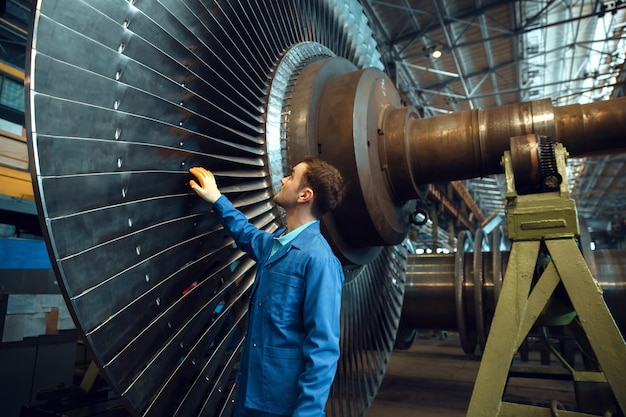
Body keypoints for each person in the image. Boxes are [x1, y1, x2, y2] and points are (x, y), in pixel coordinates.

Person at [189, 157, 347, 417]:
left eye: (291, 176)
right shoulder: (276, 244)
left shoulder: (319, 261)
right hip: (250, 393)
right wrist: (217, 198)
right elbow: (246, 234)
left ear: (305, 195)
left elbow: (323, 348)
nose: (284, 179)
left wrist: (307, 414)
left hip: (281, 404)